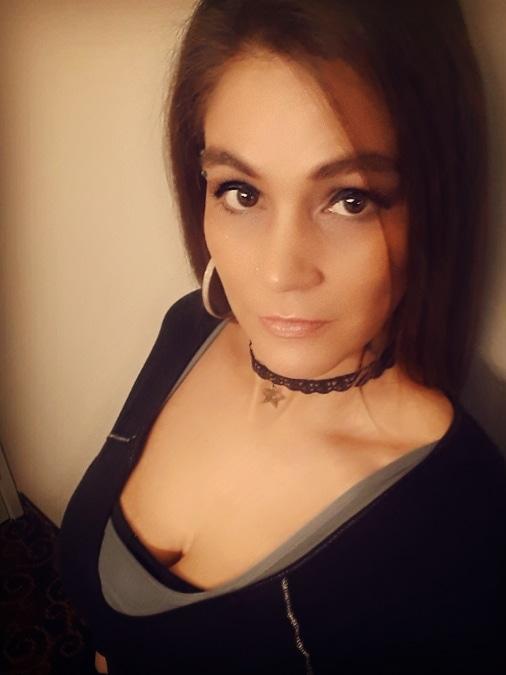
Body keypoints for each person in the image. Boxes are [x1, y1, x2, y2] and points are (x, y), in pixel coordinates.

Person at [58, 1, 506, 673]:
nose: (278, 272)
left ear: (434, 205)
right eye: (241, 192)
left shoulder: (460, 515)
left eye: (350, 198)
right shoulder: (189, 328)